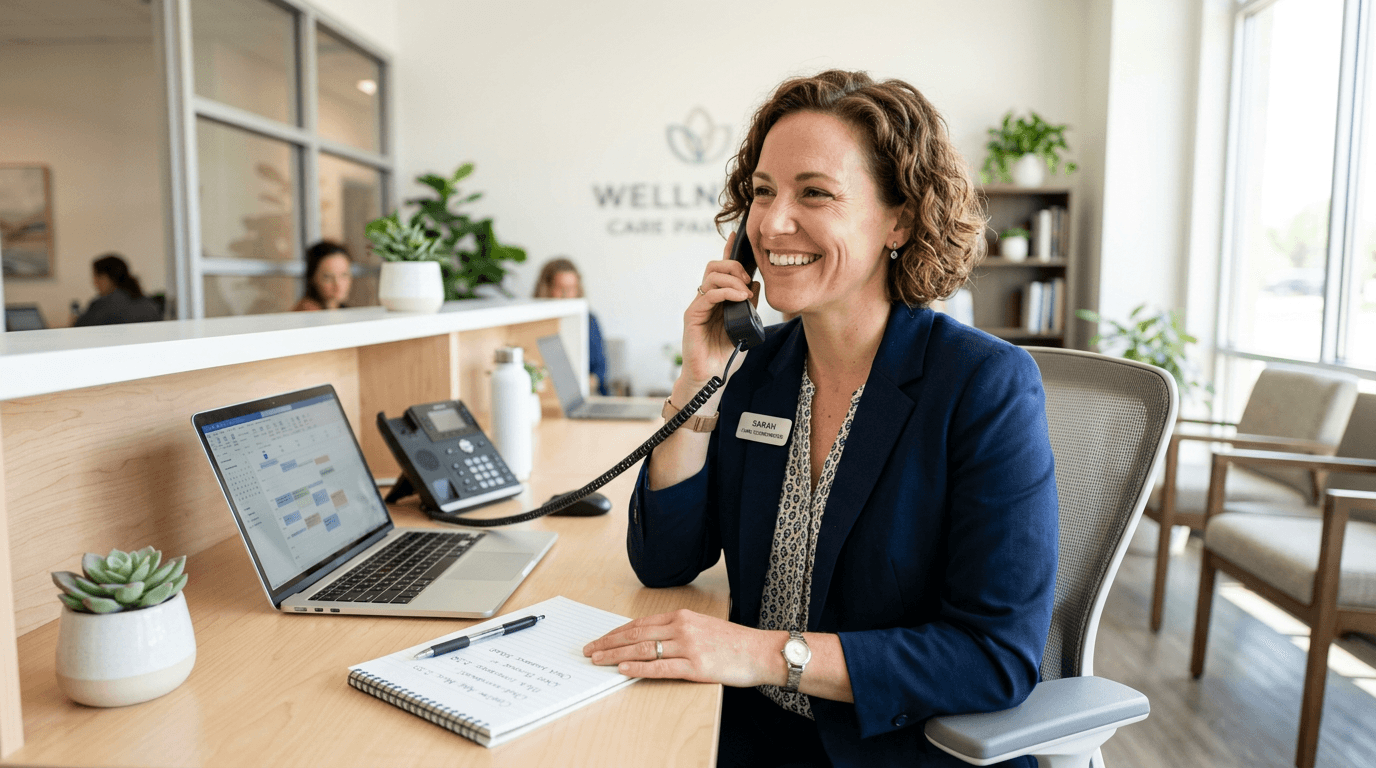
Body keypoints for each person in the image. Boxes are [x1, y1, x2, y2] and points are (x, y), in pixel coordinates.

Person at [582, 71, 1059, 767]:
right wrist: (699, 385)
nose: (772, 224)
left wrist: (767, 654)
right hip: (751, 730)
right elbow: (664, 561)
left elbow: (994, 657)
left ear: (899, 219)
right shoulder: (758, 368)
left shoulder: (984, 386)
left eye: (815, 193)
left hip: (895, 746)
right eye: (763, 192)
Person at [533, 257, 611, 396]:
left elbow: (600, 370)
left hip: (585, 394)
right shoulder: (534, 323)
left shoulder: (590, 320)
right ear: (546, 288)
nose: (566, 295)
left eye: (571, 288)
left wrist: (586, 383)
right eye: (560, 288)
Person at [72, 254, 162, 327]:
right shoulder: (148, 303)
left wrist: (75, 320)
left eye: (96, 277)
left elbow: (78, 330)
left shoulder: (102, 305)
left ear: (107, 278)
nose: (94, 283)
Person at [293, 241, 353, 311]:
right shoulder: (308, 312)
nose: (338, 284)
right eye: (328, 277)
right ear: (312, 278)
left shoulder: (341, 310)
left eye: (344, 275)